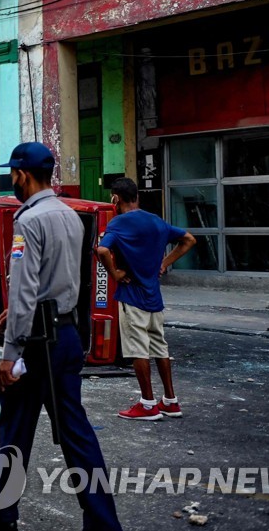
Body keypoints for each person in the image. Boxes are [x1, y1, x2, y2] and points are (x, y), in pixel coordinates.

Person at [0, 142, 122, 531]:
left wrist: (8, 353)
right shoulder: (69, 215)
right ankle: (103, 523)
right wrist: (17, 312)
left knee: (14, 427)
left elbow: (25, 287)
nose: (11, 180)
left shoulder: (28, 221)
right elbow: (60, 281)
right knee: (74, 434)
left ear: (22, 175)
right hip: (64, 334)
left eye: (12, 174)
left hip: (35, 343)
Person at [95, 177, 196, 421]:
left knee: (138, 350)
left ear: (115, 199)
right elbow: (189, 240)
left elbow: (102, 250)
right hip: (154, 297)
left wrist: (116, 273)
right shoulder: (156, 221)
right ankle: (170, 401)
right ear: (137, 196)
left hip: (132, 298)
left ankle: (148, 403)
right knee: (160, 347)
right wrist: (164, 262)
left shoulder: (118, 223)